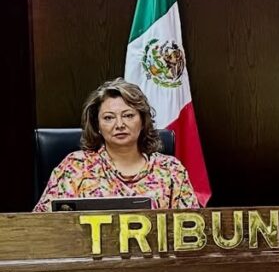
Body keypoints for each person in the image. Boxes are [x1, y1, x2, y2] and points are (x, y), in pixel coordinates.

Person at [34, 78, 200, 212]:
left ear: (143, 121)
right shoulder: (75, 167)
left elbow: (191, 227)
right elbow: (41, 226)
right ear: (97, 126)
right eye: (109, 118)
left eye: (128, 116)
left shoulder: (170, 170)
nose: (119, 125)